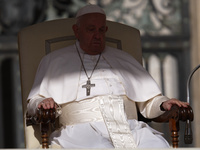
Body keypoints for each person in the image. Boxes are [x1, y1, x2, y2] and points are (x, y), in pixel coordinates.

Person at [27, 4, 189, 148]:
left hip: (129, 128)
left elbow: (148, 102)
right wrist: (42, 102)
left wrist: (164, 103)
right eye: (91, 30)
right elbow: (33, 102)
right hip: (82, 133)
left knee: (157, 145)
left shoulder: (124, 59)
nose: (97, 35)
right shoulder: (55, 60)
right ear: (77, 31)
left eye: (101, 30)